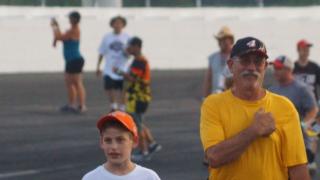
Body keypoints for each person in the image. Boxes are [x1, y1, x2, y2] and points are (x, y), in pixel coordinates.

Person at [200, 37, 310, 180]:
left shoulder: (285, 108)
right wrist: (253, 131)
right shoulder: (213, 105)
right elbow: (214, 157)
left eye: (258, 62)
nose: (252, 67)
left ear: (265, 67)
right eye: (245, 60)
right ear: (231, 65)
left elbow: (298, 168)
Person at [114, 37, 161, 161]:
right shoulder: (139, 60)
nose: (128, 48)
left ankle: (144, 151)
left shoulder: (139, 61)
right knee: (139, 121)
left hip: (138, 97)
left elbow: (132, 78)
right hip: (140, 97)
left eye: (130, 46)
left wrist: (119, 71)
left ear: (136, 47)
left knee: (137, 124)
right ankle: (151, 144)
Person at [269, 55, 318, 170]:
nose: (275, 71)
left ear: (289, 70)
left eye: (279, 68)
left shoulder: (302, 89)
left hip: (298, 145)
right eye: (275, 68)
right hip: (278, 144)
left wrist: (303, 125)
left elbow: (313, 109)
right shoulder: (272, 90)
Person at [82, 111, 161, 180]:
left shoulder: (149, 177)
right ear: (102, 143)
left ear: (135, 141)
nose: (114, 147)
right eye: (108, 140)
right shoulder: (91, 178)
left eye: (120, 140)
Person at [50, 11, 87, 113]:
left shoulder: (74, 30)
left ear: (74, 19)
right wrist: (56, 30)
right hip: (71, 60)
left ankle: (82, 105)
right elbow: (60, 37)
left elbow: (59, 37)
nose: (69, 20)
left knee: (77, 82)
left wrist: (55, 27)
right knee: (69, 83)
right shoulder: (71, 30)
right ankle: (72, 104)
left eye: (70, 18)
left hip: (75, 59)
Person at [96, 16, 130, 112]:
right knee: (109, 87)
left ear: (123, 25)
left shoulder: (127, 37)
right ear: (112, 24)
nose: (118, 25)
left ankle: (122, 107)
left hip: (123, 68)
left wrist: (127, 53)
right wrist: (98, 67)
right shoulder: (107, 37)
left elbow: (131, 52)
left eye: (120, 23)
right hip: (109, 68)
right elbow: (101, 52)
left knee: (123, 89)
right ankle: (113, 106)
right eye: (116, 23)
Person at [202, 26, 234, 98]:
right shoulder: (213, 58)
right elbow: (208, 80)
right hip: (216, 95)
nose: (221, 42)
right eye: (220, 40)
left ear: (231, 40)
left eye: (224, 39)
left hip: (232, 96)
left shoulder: (237, 57)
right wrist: (205, 98)